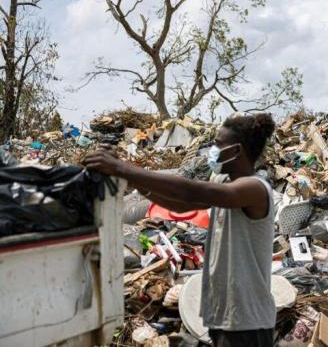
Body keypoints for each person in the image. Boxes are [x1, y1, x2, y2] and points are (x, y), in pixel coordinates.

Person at [83, 113, 277, 347]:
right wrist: (133, 182)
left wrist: (122, 168)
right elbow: (182, 204)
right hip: (226, 315)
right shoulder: (224, 180)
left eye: (218, 144)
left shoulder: (254, 188)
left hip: (249, 320)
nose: (212, 150)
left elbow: (192, 192)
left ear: (236, 151)